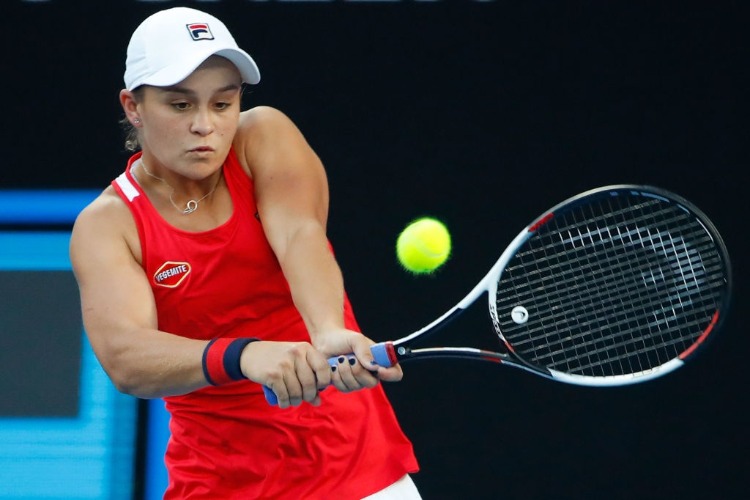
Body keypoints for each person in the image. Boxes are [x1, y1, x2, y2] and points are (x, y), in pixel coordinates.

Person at [69, 7, 419, 499]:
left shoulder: (264, 136)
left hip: (359, 472)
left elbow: (299, 233)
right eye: (180, 105)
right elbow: (126, 357)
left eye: (222, 103)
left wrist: (326, 329)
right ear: (133, 106)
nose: (205, 126)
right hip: (220, 484)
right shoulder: (107, 225)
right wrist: (243, 356)